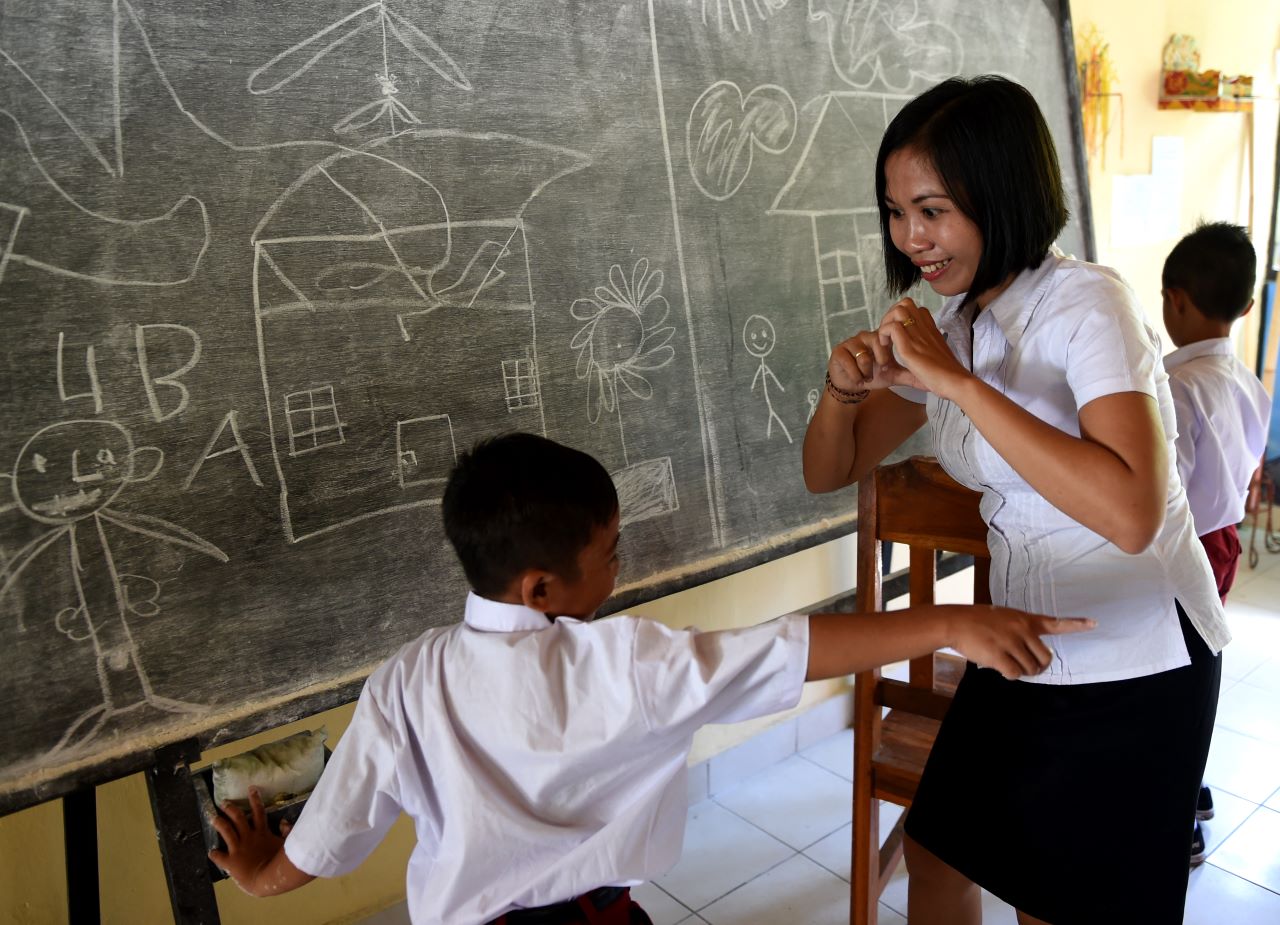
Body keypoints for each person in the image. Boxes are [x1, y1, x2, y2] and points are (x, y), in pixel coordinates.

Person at [208, 432, 1091, 925]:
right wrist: (947, 621)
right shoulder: (627, 662)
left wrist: (256, 877)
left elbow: (333, 830)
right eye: (610, 554)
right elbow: (789, 647)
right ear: (542, 587)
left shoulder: (404, 680)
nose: (621, 569)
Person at [802, 76, 1229, 925]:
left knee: (1061, 902)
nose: (912, 238)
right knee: (938, 851)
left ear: (1000, 193)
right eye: (896, 212)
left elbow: (1133, 510)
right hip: (1024, 638)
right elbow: (830, 468)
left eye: (933, 209)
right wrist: (842, 391)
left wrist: (956, 384)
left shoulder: (1087, 304)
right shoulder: (959, 322)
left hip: (1136, 659)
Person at [1161, 221, 1272, 864]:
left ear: (1173, 299)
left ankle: (1178, 816)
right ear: (1247, 308)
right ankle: (1192, 781)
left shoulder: (1176, 389)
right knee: (1199, 668)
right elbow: (1249, 464)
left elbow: (1165, 491)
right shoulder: (1249, 385)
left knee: (1177, 680)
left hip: (1185, 551)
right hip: (1223, 540)